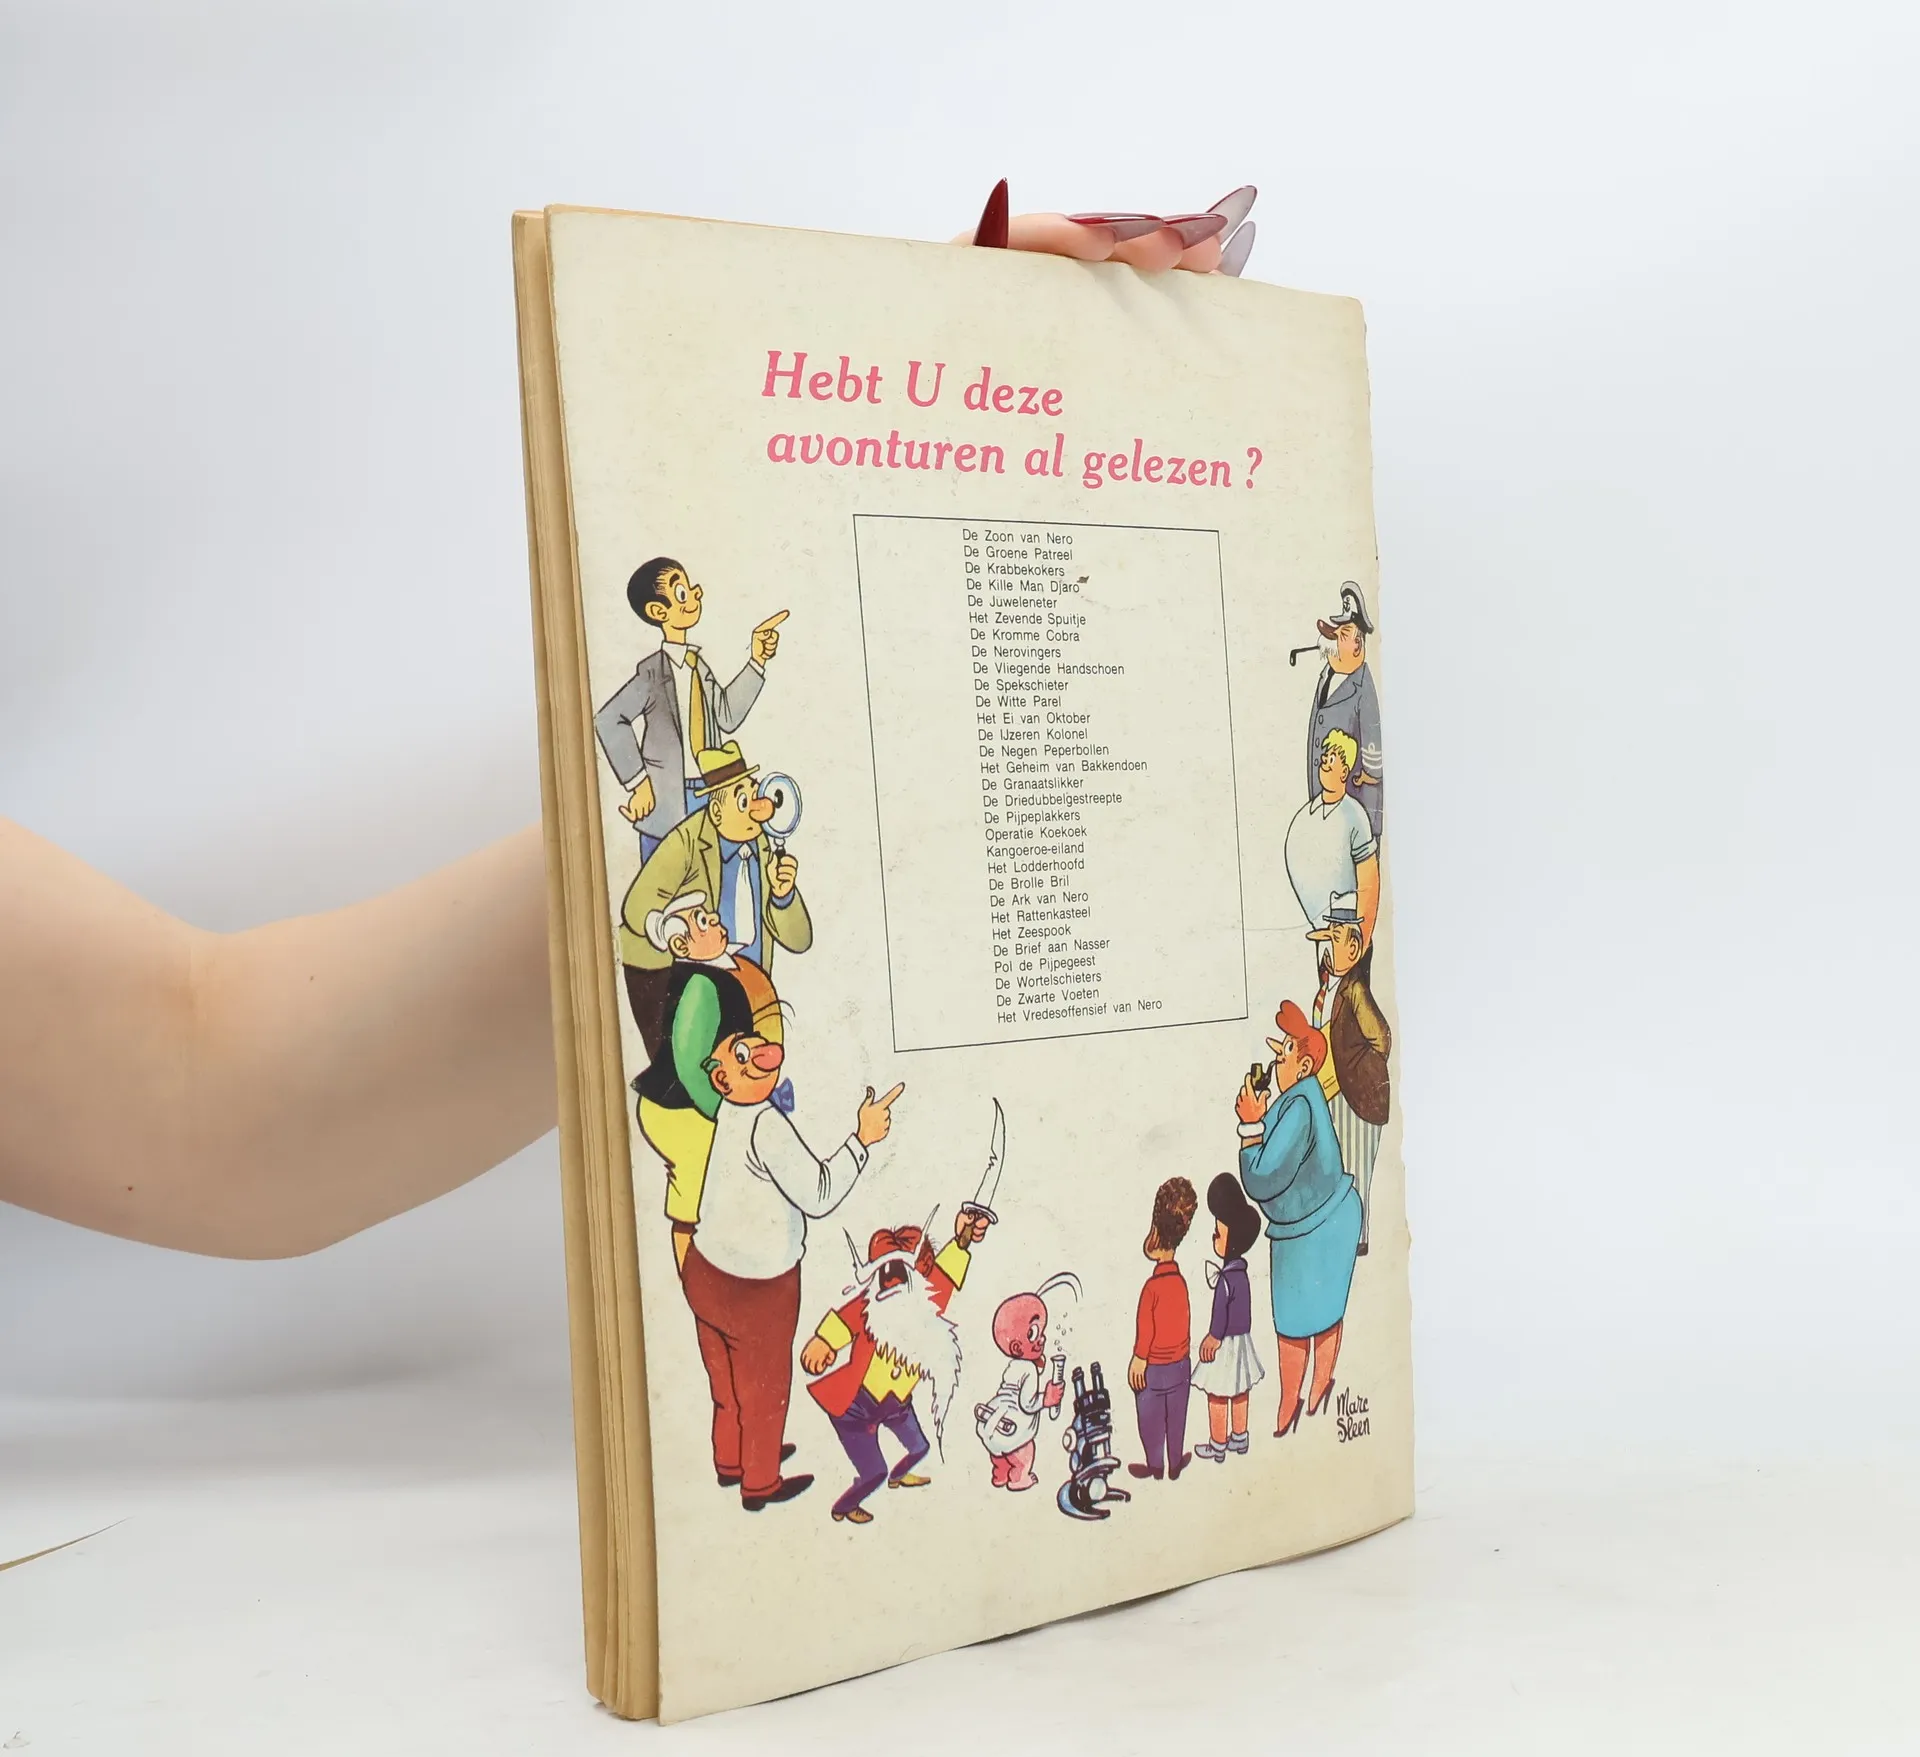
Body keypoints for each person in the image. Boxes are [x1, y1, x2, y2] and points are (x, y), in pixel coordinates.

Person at [0, 190, 1252, 1263]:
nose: (692, 602)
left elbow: (210, 1097)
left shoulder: (713, 721)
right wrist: (652, 801)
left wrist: (857, 550)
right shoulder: (657, 690)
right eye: (685, 593)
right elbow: (621, 733)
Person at [684, 1017, 902, 1512]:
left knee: (727, 1384)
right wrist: (862, 1140)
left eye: (752, 1043)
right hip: (756, 1289)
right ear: (722, 1078)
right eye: (741, 1054)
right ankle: (759, 1483)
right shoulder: (765, 1124)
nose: (758, 1052)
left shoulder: (732, 1111)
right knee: (764, 1391)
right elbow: (819, 1194)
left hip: (705, 1271)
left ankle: (733, 1460)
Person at [617, 741, 812, 1061]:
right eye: (744, 800)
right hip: (683, 987)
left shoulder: (763, 845)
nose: (757, 807)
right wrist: (676, 932)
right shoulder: (688, 840)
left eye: (754, 791)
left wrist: (783, 895)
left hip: (748, 987)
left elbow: (800, 940)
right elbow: (636, 906)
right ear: (717, 812)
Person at [799, 1209, 990, 1524]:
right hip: (856, 1408)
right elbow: (843, 1321)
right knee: (874, 1472)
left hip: (896, 1405)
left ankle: (898, 1477)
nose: (893, 1281)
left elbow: (947, 1269)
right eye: (887, 1272)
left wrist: (963, 1238)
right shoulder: (870, 1307)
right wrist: (824, 1342)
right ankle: (843, 1507)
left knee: (920, 1448)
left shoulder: (929, 1300)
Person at [593, 559, 788, 863]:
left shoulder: (699, 667)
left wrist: (757, 661)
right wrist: (638, 782)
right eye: (681, 592)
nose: (696, 593)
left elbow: (726, 716)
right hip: (666, 805)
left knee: (711, 884)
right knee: (663, 886)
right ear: (658, 612)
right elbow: (609, 719)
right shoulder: (652, 673)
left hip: (711, 795)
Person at [630, 889, 781, 1269]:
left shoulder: (718, 975)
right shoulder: (700, 984)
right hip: (679, 1107)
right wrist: (719, 1114)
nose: (715, 919)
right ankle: (689, 1274)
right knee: (694, 1195)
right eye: (702, 921)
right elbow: (689, 1062)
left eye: (710, 915)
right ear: (682, 945)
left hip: (693, 1104)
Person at [1236, 1003, 1363, 1437]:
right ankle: (1312, 1395)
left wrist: (1250, 1126)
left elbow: (1263, 1177)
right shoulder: (1300, 1097)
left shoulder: (1300, 1107)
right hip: (1324, 1223)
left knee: (1295, 1324)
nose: (1277, 1058)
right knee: (1321, 1316)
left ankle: (1296, 1403)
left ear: (1305, 1065)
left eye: (1286, 1050)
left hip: (1315, 1230)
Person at [1307, 893, 1392, 1256]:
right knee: (1337, 1169)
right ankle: (1345, 1236)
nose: (1328, 947)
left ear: (1354, 947)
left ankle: (1356, 1240)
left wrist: (1357, 1069)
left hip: (1357, 1099)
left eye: (1335, 939)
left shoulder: (1355, 989)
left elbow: (1382, 1039)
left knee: (1354, 1171)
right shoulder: (1332, 986)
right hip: (1336, 1094)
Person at [1191, 1172, 1266, 1462]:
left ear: (1230, 1240)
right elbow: (1245, 1313)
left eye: (1218, 1234)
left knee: (1218, 1393)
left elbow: (1220, 1314)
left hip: (1224, 1343)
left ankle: (1218, 1443)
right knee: (1240, 1390)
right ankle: (1240, 1437)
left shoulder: (1225, 1279)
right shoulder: (1242, 1274)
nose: (1214, 1238)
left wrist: (1213, 1337)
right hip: (1241, 1342)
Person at [1127, 1176, 1197, 1482]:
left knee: (1151, 1420)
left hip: (1154, 1369)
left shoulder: (1152, 1288)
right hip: (1180, 1366)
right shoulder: (1180, 1283)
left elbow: (1146, 1329)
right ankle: (1174, 1463)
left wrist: (1139, 1358)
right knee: (1176, 1419)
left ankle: (1156, 1466)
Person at [1303, 581, 1384, 843]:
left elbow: (1373, 756)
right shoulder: (1327, 675)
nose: (1332, 640)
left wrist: (1369, 775)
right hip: (1324, 807)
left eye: (1341, 635)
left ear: (1357, 645)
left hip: (1354, 817)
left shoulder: (1363, 688)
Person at [1283, 729, 1380, 945]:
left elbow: (1369, 882)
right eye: (1325, 757)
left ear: (1344, 772)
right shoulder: (1305, 814)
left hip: (1346, 936)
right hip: (1317, 933)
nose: (1324, 762)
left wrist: (1360, 941)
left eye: (1332, 759)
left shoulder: (1355, 815)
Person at [974, 1280, 1072, 1491]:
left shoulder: (1015, 1365)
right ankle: (1019, 1478)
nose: (1042, 1339)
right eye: (1034, 1334)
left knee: (1000, 1455)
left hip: (992, 1422)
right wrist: (1046, 1399)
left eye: (1042, 1331)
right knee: (1025, 1453)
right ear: (1018, 1347)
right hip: (1012, 1429)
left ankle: (1000, 1473)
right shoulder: (1028, 1370)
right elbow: (1027, 1404)